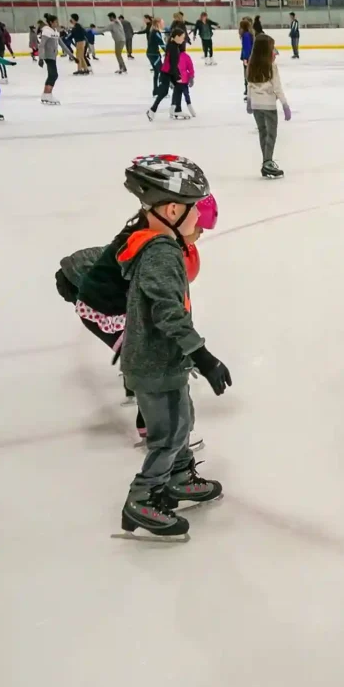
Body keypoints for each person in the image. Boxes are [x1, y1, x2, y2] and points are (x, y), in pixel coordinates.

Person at [115, 155, 229, 541]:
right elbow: (167, 312)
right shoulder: (161, 252)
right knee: (169, 434)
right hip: (155, 363)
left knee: (182, 421)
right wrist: (203, 354)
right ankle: (142, 499)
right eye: (195, 209)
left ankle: (178, 478)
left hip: (162, 360)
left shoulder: (156, 243)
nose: (199, 218)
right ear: (174, 209)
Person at [56, 193, 219, 448]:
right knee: (150, 357)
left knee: (142, 348)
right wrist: (193, 350)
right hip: (87, 292)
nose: (200, 233)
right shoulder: (157, 254)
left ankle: (136, 391)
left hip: (95, 285)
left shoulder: (162, 242)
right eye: (199, 226)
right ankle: (152, 429)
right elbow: (165, 312)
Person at [247, 33, 291, 179]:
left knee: (263, 133)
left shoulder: (251, 64)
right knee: (271, 135)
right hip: (269, 106)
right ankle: (268, 162)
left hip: (256, 105)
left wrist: (249, 101)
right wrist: (285, 104)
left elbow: (250, 84)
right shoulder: (271, 66)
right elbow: (277, 87)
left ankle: (266, 161)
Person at [147, 26, 189, 121]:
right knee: (164, 92)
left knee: (178, 87)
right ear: (177, 37)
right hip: (167, 72)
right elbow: (173, 65)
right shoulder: (173, 48)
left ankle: (176, 109)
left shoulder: (172, 45)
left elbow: (173, 64)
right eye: (182, 37)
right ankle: (152, 110)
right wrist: (177, 76)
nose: (183, 39)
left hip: (169, 71)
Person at [38, 15, 61, 105]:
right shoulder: (46, 31)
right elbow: (41, 45)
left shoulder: (55, 32)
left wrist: (72, 56)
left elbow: (61, 44)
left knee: (52, 75)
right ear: (51, 22)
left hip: (53, 56)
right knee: (54, 75)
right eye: (55, 22)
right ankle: (48, 94)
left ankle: (45, 94)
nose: (57, 23)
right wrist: (41, 58)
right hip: (48, 56)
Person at [239, 16, 254, 98]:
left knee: (248, 75)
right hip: (249, 57)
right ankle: (248, 91)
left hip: (248, 58)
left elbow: (247, 48)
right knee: (247, 75)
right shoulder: (247, 34)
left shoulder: (246, 35)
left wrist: (246, 58)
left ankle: (250, 92)